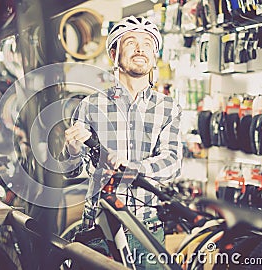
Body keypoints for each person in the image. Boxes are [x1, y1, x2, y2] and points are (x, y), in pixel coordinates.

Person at [61, 16, 182, 269]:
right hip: (99, 229)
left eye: (148, 44)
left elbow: (172, 162)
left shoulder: (168, 108)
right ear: (114, 53)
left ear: (154, 55)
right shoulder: (91, 105)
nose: (141, 49)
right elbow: (69, 171)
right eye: (131, 42)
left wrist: (133, 166)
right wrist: (72, 149)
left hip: (148, 229)